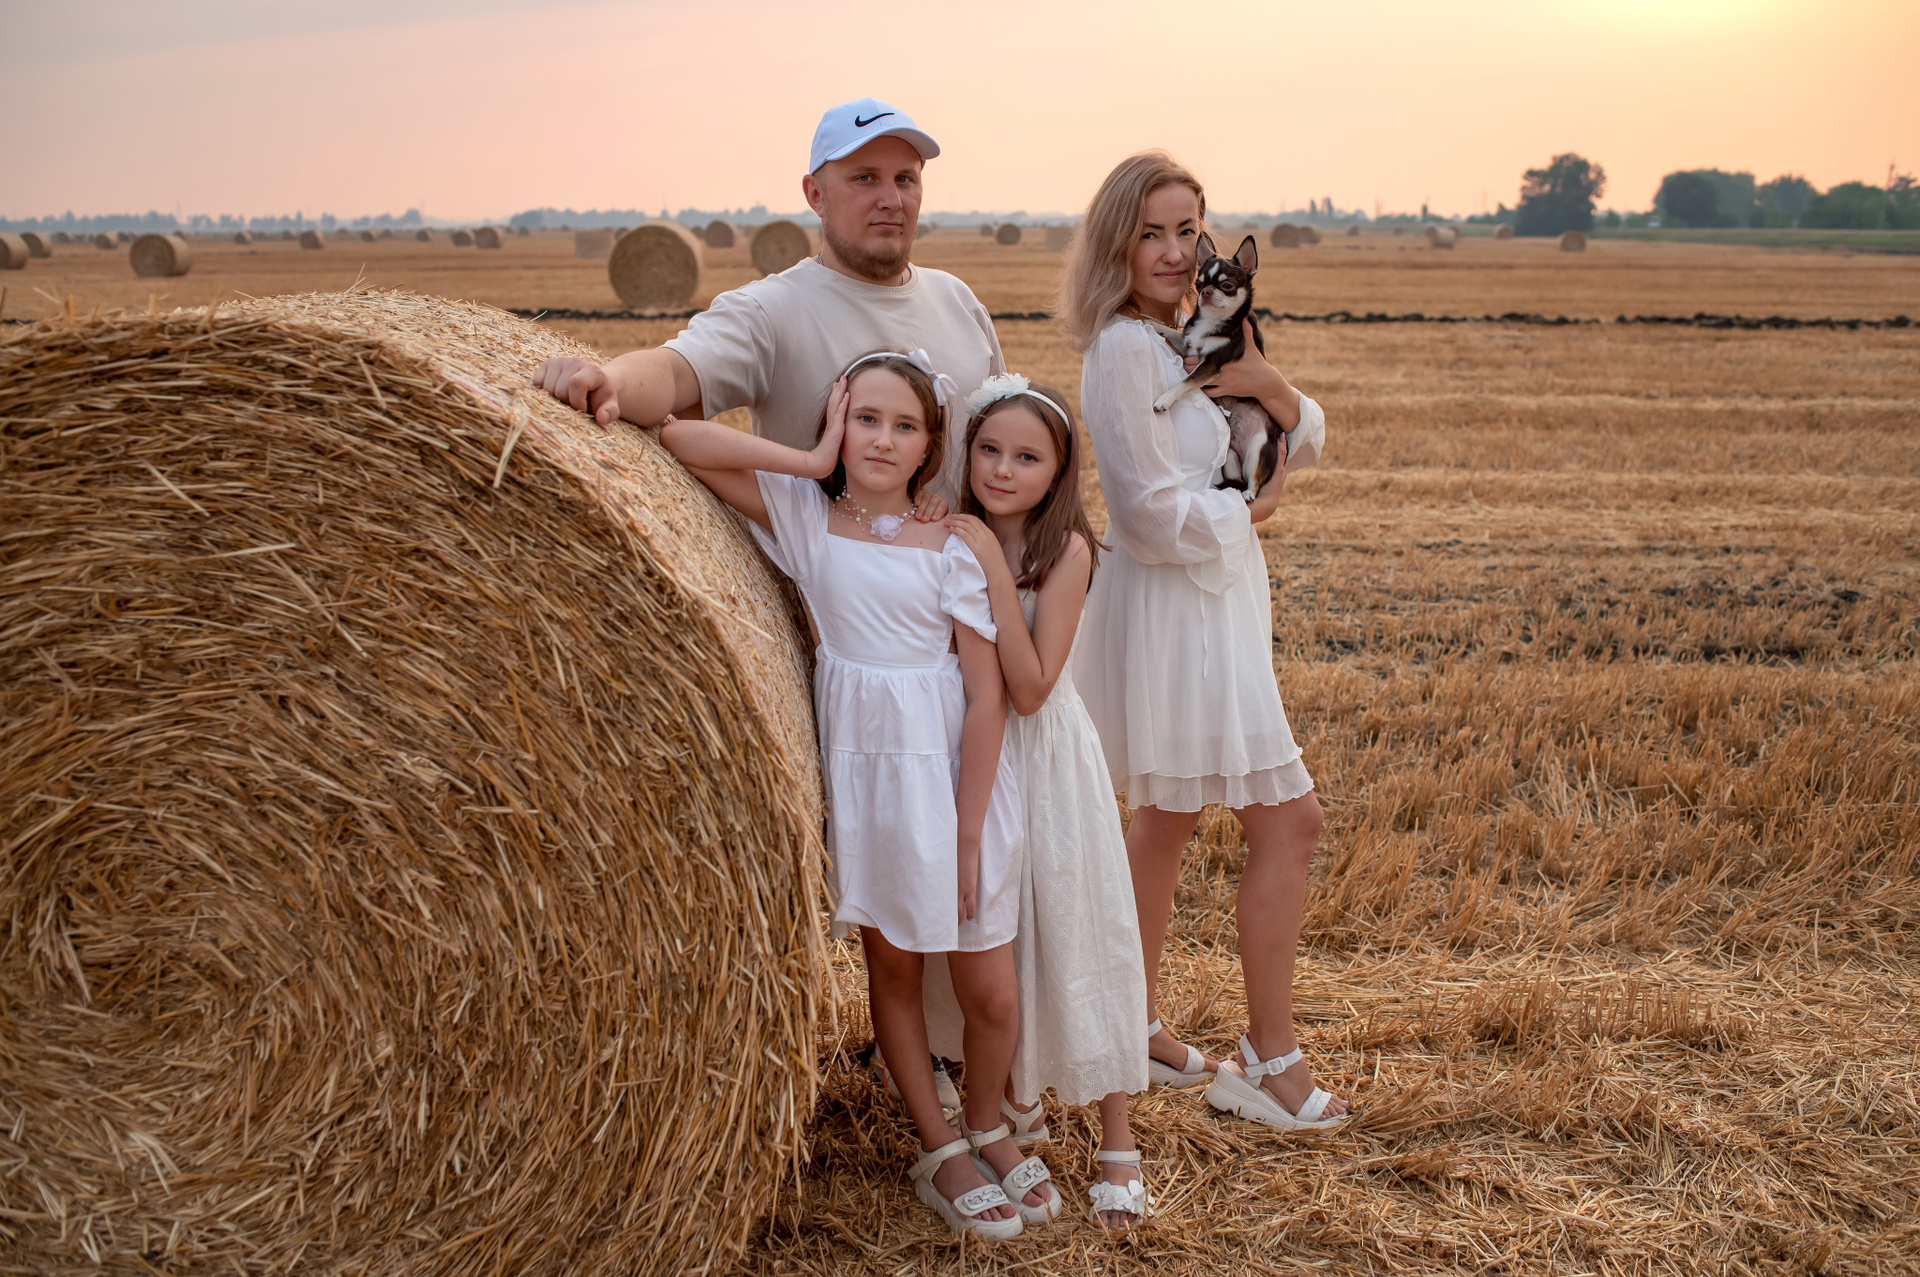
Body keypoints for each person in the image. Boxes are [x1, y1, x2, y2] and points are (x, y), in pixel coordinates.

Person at [655, 350, 1053, 1240]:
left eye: (904, 425)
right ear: (838, 422)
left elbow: (987, 695)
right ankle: (940, 1146)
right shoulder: (807, 516)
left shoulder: (952, 544)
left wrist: (967, 830)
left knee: (992, 991)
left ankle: (986, 1120)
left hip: (955, 778)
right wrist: (809, 458)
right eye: (864, 418)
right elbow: (679, 437)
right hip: (872, 779)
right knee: (895, 972)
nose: (881, 439)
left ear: (930, 446)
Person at [1060, 152, 1347, 1132]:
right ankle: (1268, 1059)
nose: (1176, 252)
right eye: (1151, 233)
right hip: (1176, 602)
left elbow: (1307, 434)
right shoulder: (1124, 351)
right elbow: (1144, 515)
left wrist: (1268, 380)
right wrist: (1249, 515)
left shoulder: (1197, 339)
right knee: (1290, 820)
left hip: (1216, 599)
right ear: (1116, 244)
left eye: (1188, 230)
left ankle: (1133, 1025)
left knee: (1167, 818)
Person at [530, 97, 1003, 502]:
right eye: (865, 178)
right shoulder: (770, 310)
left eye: (904, 179)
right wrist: (610, 380)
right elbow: (674, 371)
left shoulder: (959, 301)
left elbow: (1010, 440)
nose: (891, 200)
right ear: (815, 194)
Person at [940, 374, 1153, 1230]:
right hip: (976, 757)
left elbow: (1030, 689)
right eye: (989, 450)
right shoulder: (949, 529)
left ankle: (1118, 1140)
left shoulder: (1067, 551)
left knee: (1079, 927)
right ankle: (1007, 1103)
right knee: (1005, 937)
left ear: (1059, 469)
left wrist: (993, 568)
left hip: (1049, 760)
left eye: (1027, 457)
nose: (1003, 469)